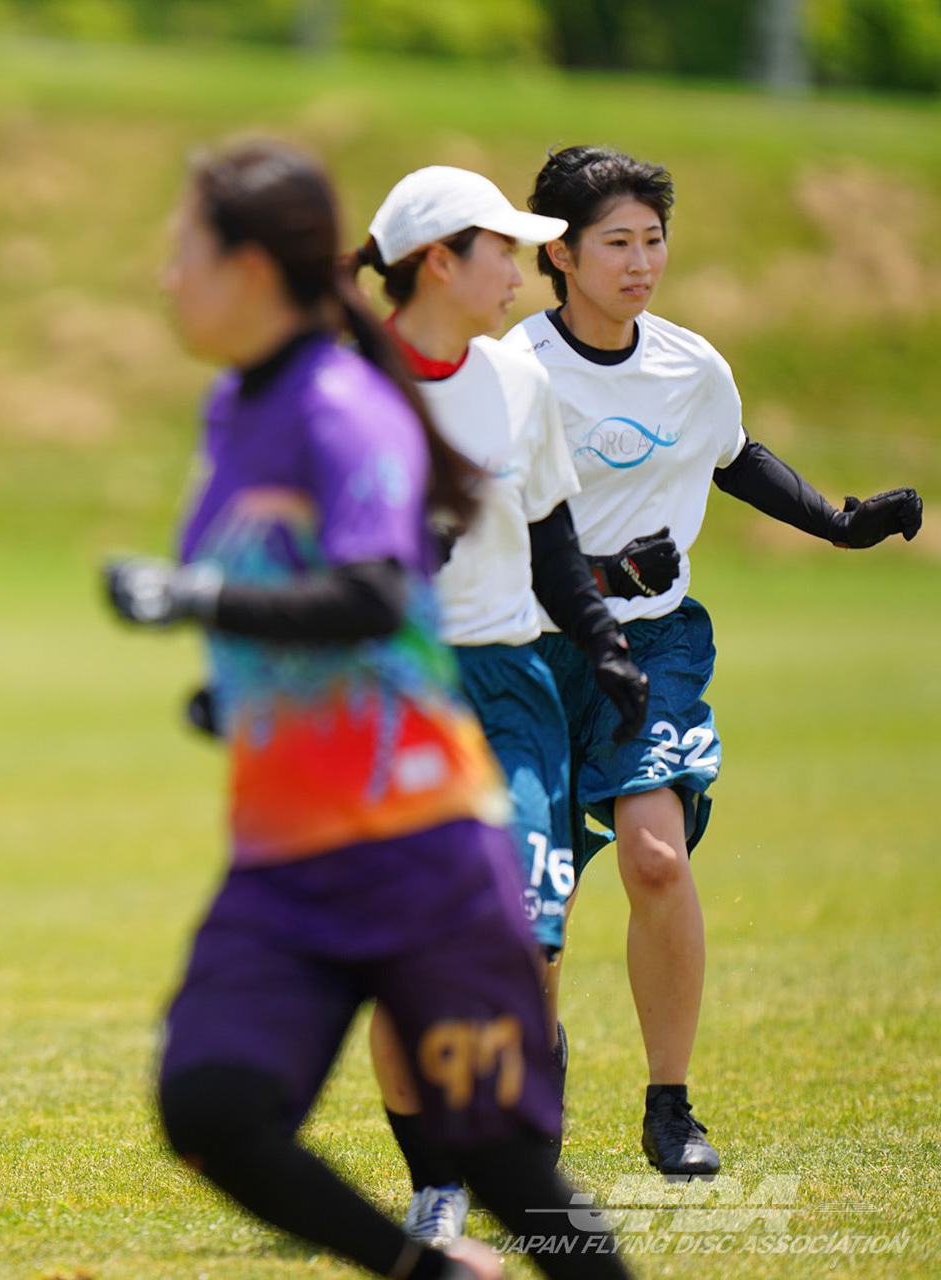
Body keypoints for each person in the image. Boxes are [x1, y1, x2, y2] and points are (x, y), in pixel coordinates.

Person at [106, 138, 631, 1280]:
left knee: (502, 1162)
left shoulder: (345, 406)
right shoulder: (232, 407)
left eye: (185, 251)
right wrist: (236, 688)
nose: (167, 276)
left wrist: (197, 598)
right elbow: (290, 591)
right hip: (284, 848)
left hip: (415, 845)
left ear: (251, 269)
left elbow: (378, 592)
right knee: (211, 1106)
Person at [506, 146, 922, 1176]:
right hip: (531, 652)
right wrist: (598, 570)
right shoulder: (515, 372)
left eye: (654, 240)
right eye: (616, 243)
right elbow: (484, 526)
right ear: (560, 254)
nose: (641, 262)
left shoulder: (691, 366)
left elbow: (737, 459)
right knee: (530, 904)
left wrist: (840, 523)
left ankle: (670, 1106)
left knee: (656, 856)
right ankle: (534, 1083)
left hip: (653, 645)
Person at [348, 166, 678, 1248]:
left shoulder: (517, 380)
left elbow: (548, 539)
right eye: (504, 250)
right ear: (439, 262)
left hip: (509, 687)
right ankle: (434, 1179)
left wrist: (604, 644)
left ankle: (516, 1160)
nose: (521, 273)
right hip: (394, 692)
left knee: (530, 941)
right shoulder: (344, 388)